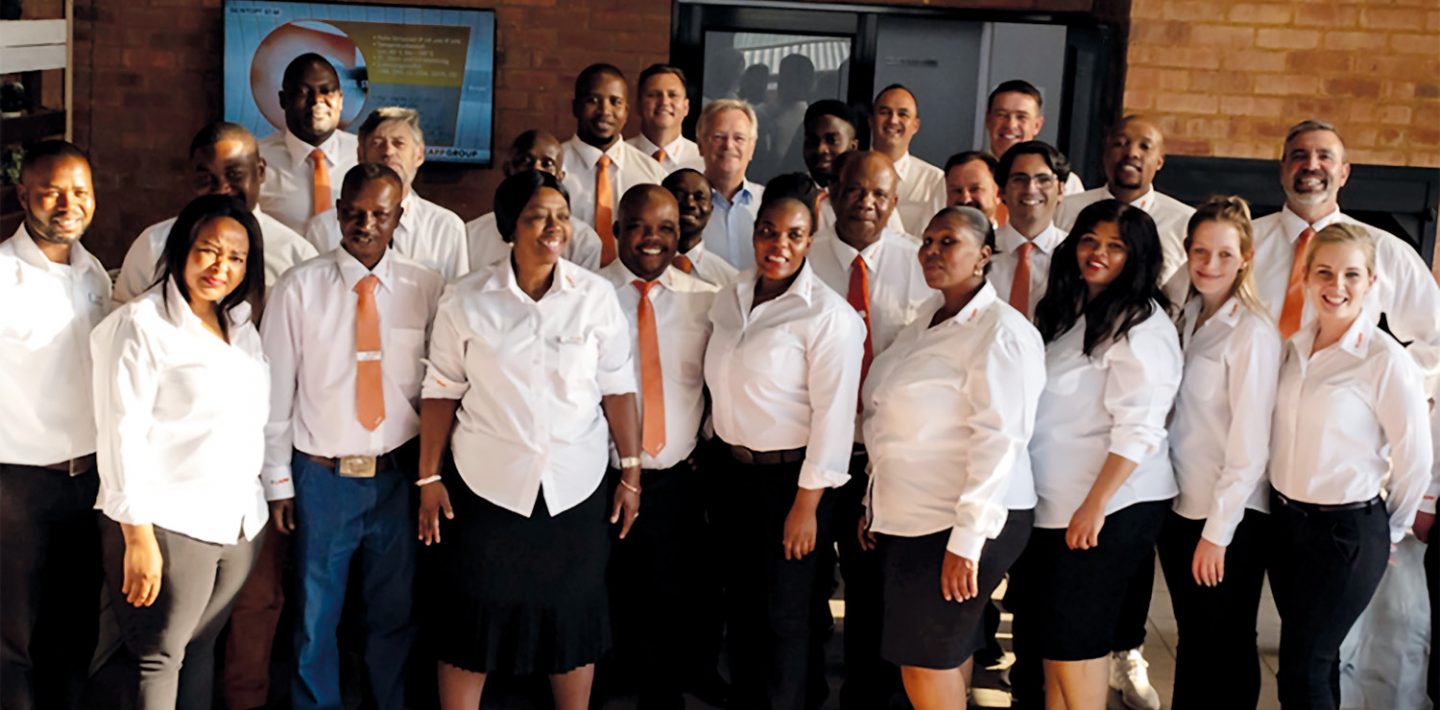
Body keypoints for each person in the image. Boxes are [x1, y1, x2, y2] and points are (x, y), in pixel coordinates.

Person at [417, 171, 642, 710]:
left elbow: (617, 388)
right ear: (509, 226)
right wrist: (428, 477)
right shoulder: (466, 299)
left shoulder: (594, 297)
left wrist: (631, 472)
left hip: (576, 487)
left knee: (573, 619)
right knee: (472, 622)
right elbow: (441, 390)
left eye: (561, 216)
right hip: (487, 488)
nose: (553, 227)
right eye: (538, 216)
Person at [261, 164, 444, 710]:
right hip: (322, 477)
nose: (365, 224)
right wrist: (278, 482)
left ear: (399, 217)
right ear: (338, 211)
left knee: (393, 612)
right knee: (316, 615)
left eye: (379, 214)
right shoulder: (299, 288)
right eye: (355, 212)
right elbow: (275, 392)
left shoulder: (425, 288)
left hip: (396, 476)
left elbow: (441, 382)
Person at [89, 194, 270, 709]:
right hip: (170, 523)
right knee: (159, 657)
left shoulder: (239, 325)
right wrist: (137, 536)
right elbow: (119, 431)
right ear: (181, 248)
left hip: (236, 521)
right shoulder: (141, 326)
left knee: (201, 647)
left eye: (235, 257)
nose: (221, 266)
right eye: (208, 250)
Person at [861, 206, 1044, 710]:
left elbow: (1000, 437)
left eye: (949, 242)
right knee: (939, 653)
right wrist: (873, 501)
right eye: (928, 241)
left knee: (925, 663)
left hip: (959, 520)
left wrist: (967, 540)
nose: (933, 251)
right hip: (913, 515)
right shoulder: (929, 318)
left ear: (984, 256)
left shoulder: (1000, 331)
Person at [705, 192, 866, 710]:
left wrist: (806, 507)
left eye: (794, 235)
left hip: (792, 485)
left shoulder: (828, 317)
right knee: (744, 611)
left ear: (810, 241)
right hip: (732, 474)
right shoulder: (730, 295)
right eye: (769, 231)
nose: (779, 244)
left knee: (786, 620)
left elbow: (835, 420)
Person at [1017, 199, 1181, 710]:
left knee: (1077, 642)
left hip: (1107, 509)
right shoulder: (1069, 309)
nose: (1098, 253)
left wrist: (1095, 507)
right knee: (1052, 642)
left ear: (1139, 258)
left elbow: (1139, 430)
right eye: (1090, 240)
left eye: (1116, 247)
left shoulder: (1142, 327)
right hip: (1054, 504)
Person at [1267, 222, 1431, 709]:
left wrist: (1388, 531)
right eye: (1325, 272)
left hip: (1346, 535)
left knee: (1302, 667)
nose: (1336, 286)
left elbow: (1414, 458)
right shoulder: (1294, 346)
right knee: (1320, 660)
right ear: (1306, 278)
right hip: (1287, 528)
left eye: (1351, 275)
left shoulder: (1384, 361)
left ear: (1371, 283)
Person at [806, 152, 931, 708]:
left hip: (885, 456)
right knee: (805, 584)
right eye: (854, 190)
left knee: (873, 587)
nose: (866, 203)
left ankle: (866, 694)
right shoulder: (800, 262)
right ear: (832, 193)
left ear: (894, 203)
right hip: (810, 450)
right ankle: (804, 687)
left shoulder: (920, 266)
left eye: (879, 195)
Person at [598, 185, 720, 708]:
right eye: (640, 226)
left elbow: (720, 379)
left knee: (672, 595)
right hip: (599, 475)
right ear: (617, 230)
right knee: (604, 592)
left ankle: (662, 693)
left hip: (674, 478)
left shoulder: (706, 300)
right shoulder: (587, 295)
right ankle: (602, 687)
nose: (653, 239)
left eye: (666, 228)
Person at [1156, 196, 1280, 710]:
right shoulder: (1188, 316)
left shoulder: (1251, 332)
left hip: (1229, 519)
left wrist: (1217, 534)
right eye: (1200, 252)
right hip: (1182, 506)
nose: (1209, 264)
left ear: (1246, 257)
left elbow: (1250, 447)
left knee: (1226, 642)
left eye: (1224, 255)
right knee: (1195, 640)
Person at [0, 140, 109, 710]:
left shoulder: (94, 274)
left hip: (86, 482)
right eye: (51, 191)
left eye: (81, 192)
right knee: (12, 639)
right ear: (24, 194)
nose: (68, 203)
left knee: (74, 633)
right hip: (17, 483)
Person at [303, 107, 469, 281]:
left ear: (419, 155)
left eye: (399, 143)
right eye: (377, 143)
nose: (388, 152)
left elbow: (456, 300)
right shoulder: (323, 228)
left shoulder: (446, 228)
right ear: (360, 154)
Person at [1057, 116, 1193, 292]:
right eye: (1120, 143)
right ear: (1105, 153)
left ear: (1159, 161)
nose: (1131, 153)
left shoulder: (1185, 222)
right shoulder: (1065, 210)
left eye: (1144, 146)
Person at [560, 63, 669, 267]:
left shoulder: (652, 174)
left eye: (615, 102)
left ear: (626, 111)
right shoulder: (554, 168)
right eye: (593, 100)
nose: (605, 111)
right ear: (575, 107)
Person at [467, 129, 602, 272]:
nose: (536, 169)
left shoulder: (583, 240)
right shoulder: (472, 234)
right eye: (526, 161)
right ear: (508, 170)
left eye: (547, 163)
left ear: (560, 176)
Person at [257, 53, 359, 233]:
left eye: (326, 91)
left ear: (340, 100)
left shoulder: (364, 155)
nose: (317, 100)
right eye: (303, 92)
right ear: (283, 100)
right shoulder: (257, 161)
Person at [987, 141, 1069, 319]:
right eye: (1019, 179)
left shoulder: (1075, 255)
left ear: (1061, 190)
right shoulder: (979, 251)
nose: (1031, 189)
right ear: (1001, 192)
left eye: (1043, 180)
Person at [803, 101, 904, 237]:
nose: (821, 149)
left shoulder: (870, 200)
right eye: (813, 140)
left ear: (853, 146)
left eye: (832, 140)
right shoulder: (790, 192)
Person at [868, 85, 945, 237]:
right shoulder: (849, 173)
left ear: (916, 126)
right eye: (885, 112)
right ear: (871, 121)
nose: (893, 120)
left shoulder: (935, 181)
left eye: (903, 114)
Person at [984, 80, 1084, 195]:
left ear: (1037, 125)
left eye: (1021, 117)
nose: (1010, 125)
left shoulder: (1066, 182)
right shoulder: (968, 175)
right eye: (1002, 115)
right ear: (988, 120)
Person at [698, 98, 766, 269]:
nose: (728, 145)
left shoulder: (768, 204)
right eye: (719, 137)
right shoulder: (682, 206)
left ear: (752, 148)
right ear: (700, 145)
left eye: (739, 138)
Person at [661, 168, 738, 286]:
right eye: (679, 195)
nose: (690, 203)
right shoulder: (639, 264)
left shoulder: (730, 280)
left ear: (711, 210)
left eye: (699, 198)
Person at [627, 64, 705, 172]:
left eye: (672, 95)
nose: (664, 102)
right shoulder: (621, 157)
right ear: (638, 105)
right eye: (654, 95)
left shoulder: (703, 161)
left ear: (686, 107)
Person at [943, 151, 1002, 226]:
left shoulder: (1009, 237)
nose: (965, 199)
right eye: (957, 190)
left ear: (998, 193)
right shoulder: (930, 236)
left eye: (974, 189)